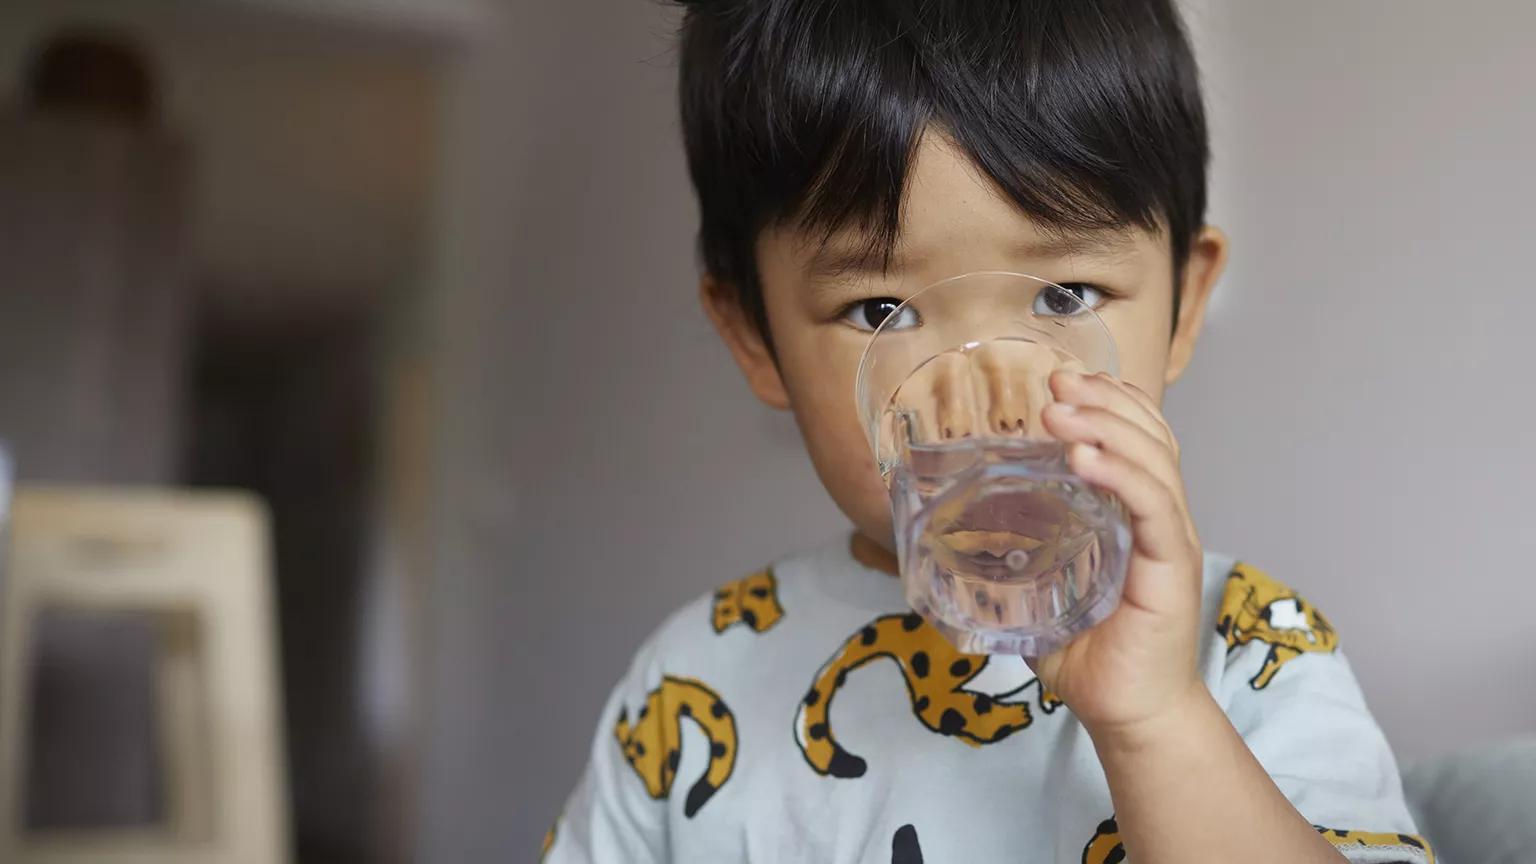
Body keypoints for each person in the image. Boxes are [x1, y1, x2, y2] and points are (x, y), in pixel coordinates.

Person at [544, 1, 1428, 861]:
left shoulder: (1249, 644)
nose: (989, 389)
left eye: (1065, 297)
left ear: (1185, 304)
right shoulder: (695, 674)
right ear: (754, 336)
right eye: (881, 308)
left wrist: (1157, 719)